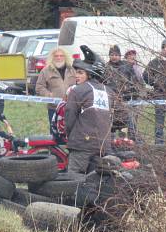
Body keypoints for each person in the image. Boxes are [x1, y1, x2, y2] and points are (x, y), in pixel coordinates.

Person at [63, 45, 112, 175]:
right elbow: (121, 117)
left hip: (81, 145)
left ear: (90, 75)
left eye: (80, 72)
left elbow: (69, 117)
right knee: (99, 182)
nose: (76, 76)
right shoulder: (110, 92)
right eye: (76, 72)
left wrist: (71, 135)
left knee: (74, 181)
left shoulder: (77, 90)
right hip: (103, 146)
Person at [35, 47, 76, 133]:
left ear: (65, 57)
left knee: (72, 130)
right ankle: (54, 146)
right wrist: (48, 94)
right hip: (54, 108)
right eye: (56, 56)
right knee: (55, 130)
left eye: (61, 56)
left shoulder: (73, 70)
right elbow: (39, 87)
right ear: (52, 57)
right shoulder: (45, 71)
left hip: (72, 107)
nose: (59, 58)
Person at [144, 41, 166, 144]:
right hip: (159, 95)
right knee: (159, 120)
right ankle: (159, 142)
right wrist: (154, 82)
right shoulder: (155, 62)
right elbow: (145, 75)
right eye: (164, 47)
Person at [103, 45, 130, 138]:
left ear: (120, 55)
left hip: (124, 101)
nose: (114, 57)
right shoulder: (105, 68)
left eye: (116, 54)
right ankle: (111, 143)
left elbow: (133, 81)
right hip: (110, 101)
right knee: (111, 124)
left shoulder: (126, 66)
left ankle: (124, 142)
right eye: (112, 54)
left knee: (124, 123)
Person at [122, 49, 145, 138]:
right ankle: (128, 137)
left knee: (135, 117)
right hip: (126, 97)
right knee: (128, 118)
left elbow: (141, 81)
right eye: (130, 55)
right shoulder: (123, 67)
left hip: (136, 96)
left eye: (133, 55)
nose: (132, 56)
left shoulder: (137, 67)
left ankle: (133, 136)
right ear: (127, 57)